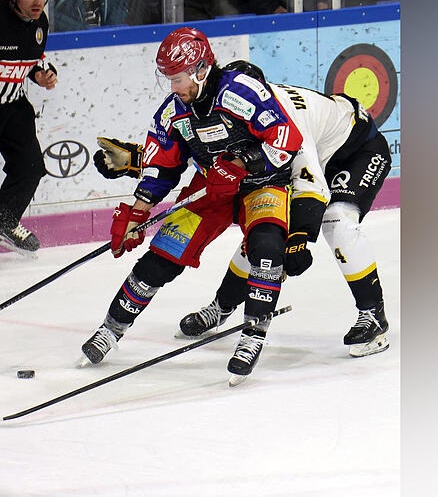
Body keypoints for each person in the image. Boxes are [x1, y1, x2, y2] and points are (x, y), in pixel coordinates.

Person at [95, 61, 393, 357]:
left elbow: (310, 183)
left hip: (354, 153)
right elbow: (210, 150)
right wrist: (139, 161)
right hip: (310, 154)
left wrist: (300, 237)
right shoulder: (241, 107)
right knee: (261, 238)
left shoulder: (282, 117)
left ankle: (373, 315)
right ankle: (222, 307)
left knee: (337, 221)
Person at [80, 28, 303, 385]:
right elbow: (161, 165)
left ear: (201, 69)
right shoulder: (174, 111)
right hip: (210, 187)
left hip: (262, 183)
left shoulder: (240, 91)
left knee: (266, 247)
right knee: (162, 256)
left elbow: (287, 138)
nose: (173, 87)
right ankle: (111, 329)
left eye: (178, 78)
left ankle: (253, 335)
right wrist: (137, 212)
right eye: (169, 78)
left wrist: (242, 163)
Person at [0, 0, 58, 255]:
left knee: (31, 167)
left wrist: (43, 74)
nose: (38, 1)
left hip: (14, 106)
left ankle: (3, 217)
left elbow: (34, 59)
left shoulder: (40, 22)